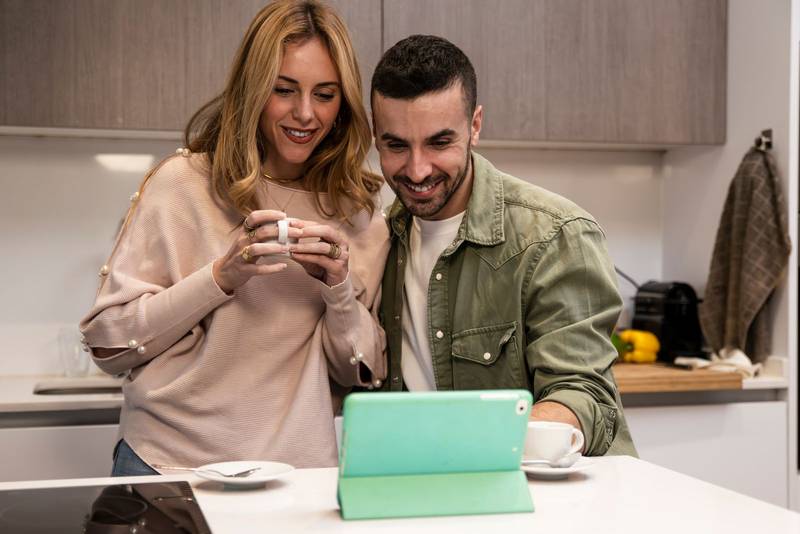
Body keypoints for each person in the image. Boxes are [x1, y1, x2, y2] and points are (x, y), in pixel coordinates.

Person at [79, 0, 389, 475]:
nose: (306, 114)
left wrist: (338, 290)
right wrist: (221, 277)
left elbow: (360, 373)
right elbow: (108, 346)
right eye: (284, 90)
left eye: (325, 94)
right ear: (252, 88)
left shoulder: (358, 213)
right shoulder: (181, 183)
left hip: (298, 478)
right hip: (168, 466)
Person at [371, 35, 636, 456]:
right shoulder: (381, 240)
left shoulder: (555, 234)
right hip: (446, 492)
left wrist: (476, 446)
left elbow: (585, 398)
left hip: (558, 502)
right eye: (397, 145)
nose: (417, 169)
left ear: (475, 125)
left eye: (440, 143)